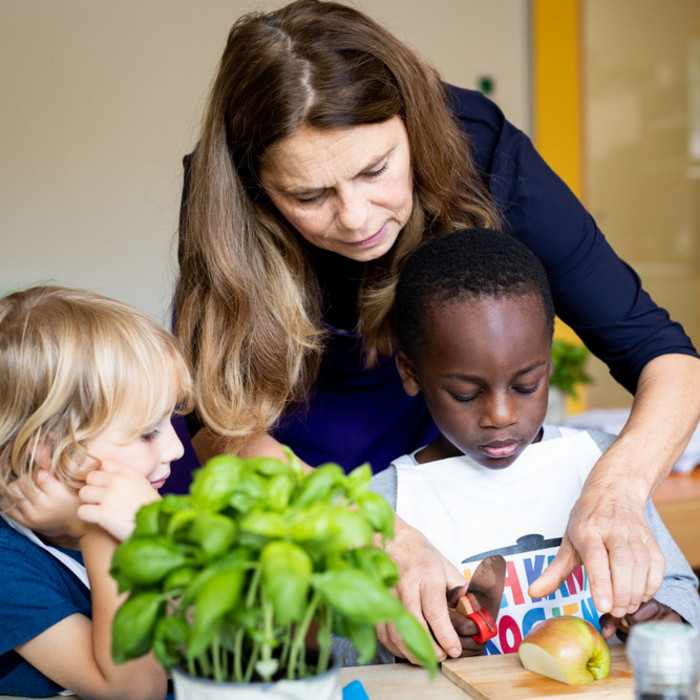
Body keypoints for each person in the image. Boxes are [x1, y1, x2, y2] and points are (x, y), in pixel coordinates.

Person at [172, 0, 700, 662]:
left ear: (413, 126)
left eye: (375, 170)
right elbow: (223, 428)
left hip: (443, 411)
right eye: (309, 197)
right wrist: (363, 530)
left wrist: (618, 491)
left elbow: (666, 356)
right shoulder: (223, 199)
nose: (356, 217)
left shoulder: (480, 146)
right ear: (257, 188)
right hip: (291, 454)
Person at [363, 228, 699, 661]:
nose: (501, 416)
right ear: (411, 373)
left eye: (526, 385)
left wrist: (661, 614)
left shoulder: (601, 463)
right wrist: (414, 638)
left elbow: (679, 587)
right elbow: (349, 652)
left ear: (549, 363)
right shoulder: (386, 502)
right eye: (466, 394)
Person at [0, 286, 192, 699]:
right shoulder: (6, 566)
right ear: (49, 451)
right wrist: (99, 533)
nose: (176, 449)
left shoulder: (143, 507)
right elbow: (133, 692)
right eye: (147, 433)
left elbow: (212, 638)